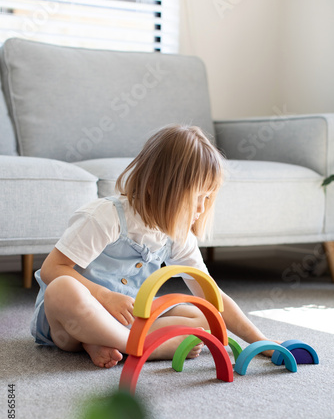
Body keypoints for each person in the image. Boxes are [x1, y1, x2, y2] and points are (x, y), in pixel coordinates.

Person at [30, 124, 275, 369]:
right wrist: (105, 296)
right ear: (155, 185)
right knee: (62, 289)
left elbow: (211, 295)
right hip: (68, 323)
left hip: (127, 317)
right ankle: (138, 347)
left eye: (206, 198)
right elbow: (52, 269)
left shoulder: (177, 233)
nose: (201, 210)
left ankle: (101, 340)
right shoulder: (106, 216)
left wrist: (260, 341)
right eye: (195, 197)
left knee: (208, 319)